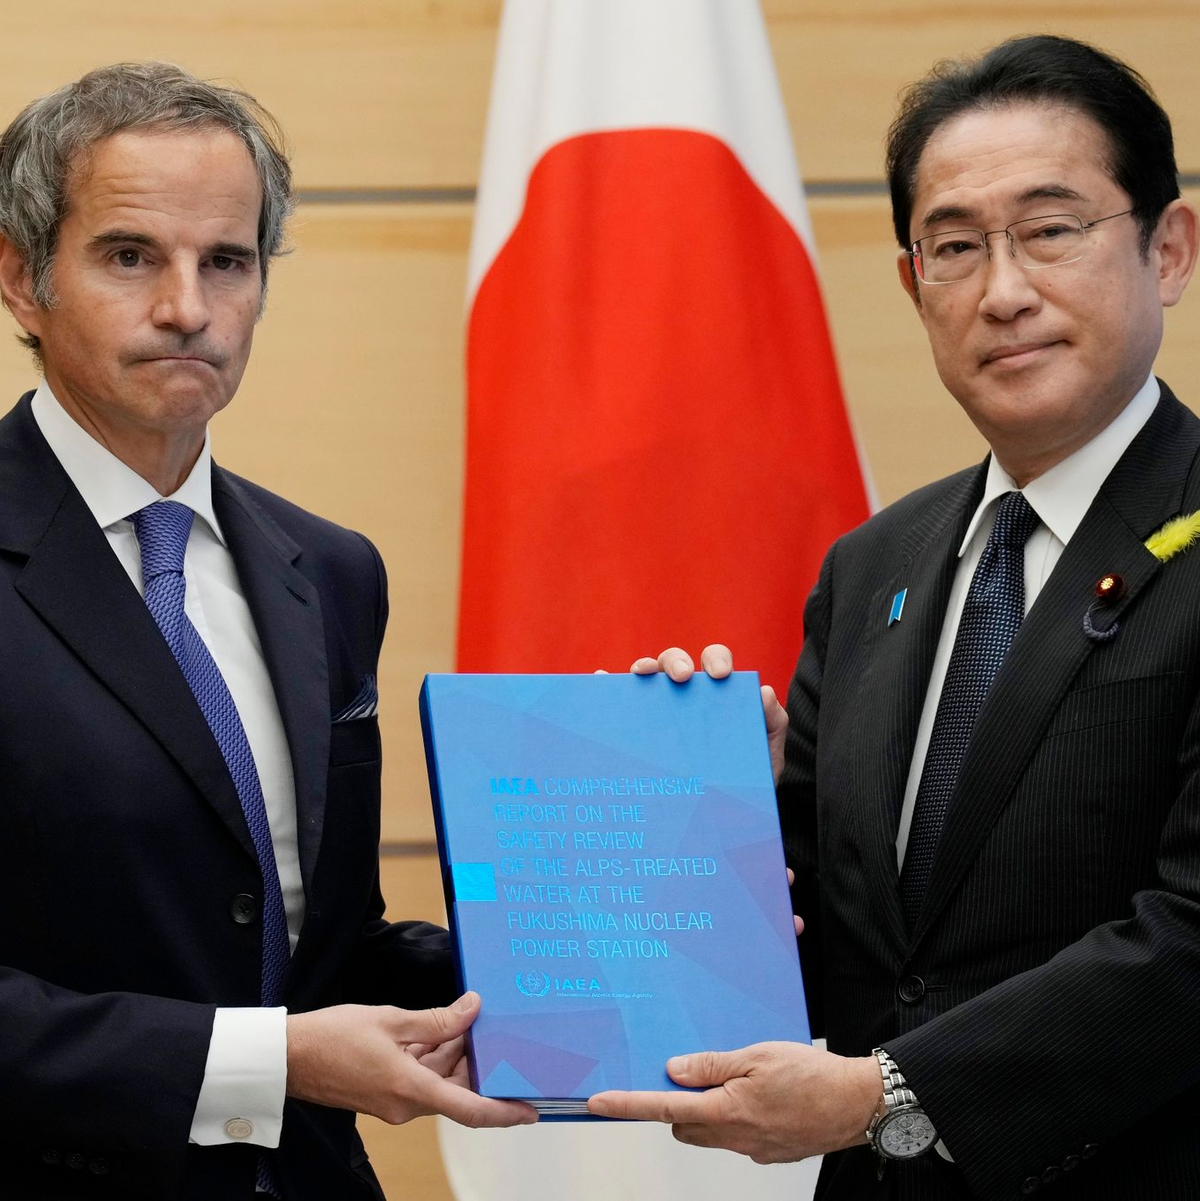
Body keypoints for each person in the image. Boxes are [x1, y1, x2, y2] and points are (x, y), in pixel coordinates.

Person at [588, 34, 1200, 1200]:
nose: (1003, 288)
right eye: (956, 246)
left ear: (1167, 249)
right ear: (917, 285)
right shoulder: (875, 566)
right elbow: (848, 926)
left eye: (1052, 229)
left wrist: (892, 1094)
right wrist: (726, 811)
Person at [0, 62, 534, 1201]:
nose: (187, 307)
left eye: (227, 262)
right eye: (131, 255)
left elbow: (318, 933)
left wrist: (599, 939)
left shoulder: (329, 571)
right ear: (22, 279)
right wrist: (269, 1061)